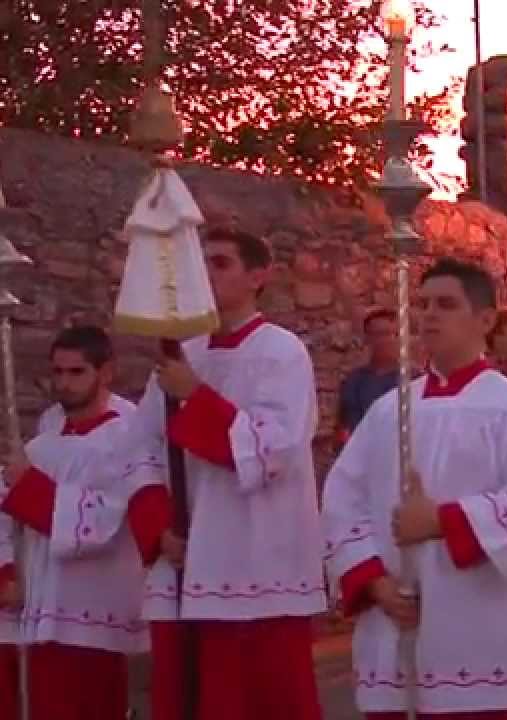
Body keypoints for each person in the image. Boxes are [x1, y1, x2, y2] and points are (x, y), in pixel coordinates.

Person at [322, 258, 507, 720]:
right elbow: (340, 501)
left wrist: (441, 521)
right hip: (394, 628)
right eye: (424, 304)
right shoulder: (390, 411)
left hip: (480, 639)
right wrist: (374, 582)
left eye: (447, 305)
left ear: (486, 320)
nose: (429, 315)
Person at [137, 228, 326, 720]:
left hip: (256, 564)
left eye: (220, 263)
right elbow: (140, 450)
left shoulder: (281, 352)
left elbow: (271, 449)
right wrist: (159, 529)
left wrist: (196, 397)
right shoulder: (185, 354)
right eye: (202, 264)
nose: (207, 274)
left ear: (259, 275)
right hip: (185, 559)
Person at [0, 326, 168, 720]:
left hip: (92, 611)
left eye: (76, 373)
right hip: (40, 607)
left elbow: (101, 519)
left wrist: (28, 487)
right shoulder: (48, 427)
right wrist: (10, 571)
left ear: (106, 372)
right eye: (57, 372)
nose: (64, 383)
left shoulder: (128, 433)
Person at [336, 309, 401, 450]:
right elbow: (345, 428)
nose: (386, 340)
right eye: (379, 334)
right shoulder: (354, 381)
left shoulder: (414, 380)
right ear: (367, 339)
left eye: (392, 334)